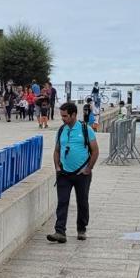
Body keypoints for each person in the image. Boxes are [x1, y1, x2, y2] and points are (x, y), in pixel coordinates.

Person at [47, 102, 99, 243]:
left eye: (65, 116)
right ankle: (60, 232)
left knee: (82, 202)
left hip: (82, 174)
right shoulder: (61, 130)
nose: (63, 118)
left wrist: (88, 168)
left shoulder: (85, 129)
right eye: (62, 116)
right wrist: (57, 167)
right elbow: (57, 150)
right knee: (62, 202)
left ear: (74, 114)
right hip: (64, 173)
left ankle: (81, 229)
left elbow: (95, 151)